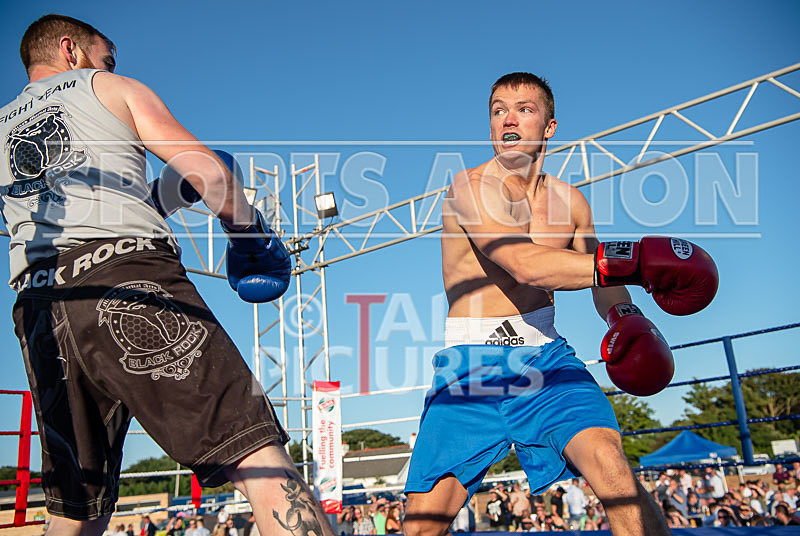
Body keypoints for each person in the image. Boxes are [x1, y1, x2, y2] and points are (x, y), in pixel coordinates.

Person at [3, 14, 334, 536]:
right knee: (258, 460)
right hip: (127, 275)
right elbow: (208, 171)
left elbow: (69, 208)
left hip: (40, 308)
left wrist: (156, 202)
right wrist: (250, 235)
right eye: (105, 56)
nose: (110, 66)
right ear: (70, 49)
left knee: (74, 510)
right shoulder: (107, 87)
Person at [402, 71, 717, 536]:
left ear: (549, 127)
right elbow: (524, 263)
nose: (508, 119)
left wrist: (626, 315)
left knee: (611, 462)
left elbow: (600, 280)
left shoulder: (571, 203)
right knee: (423, 524)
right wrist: (637, 261)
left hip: (546, 356)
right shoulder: (470, 188)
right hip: (472, 366)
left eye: (524, 109)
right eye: (498, 110)